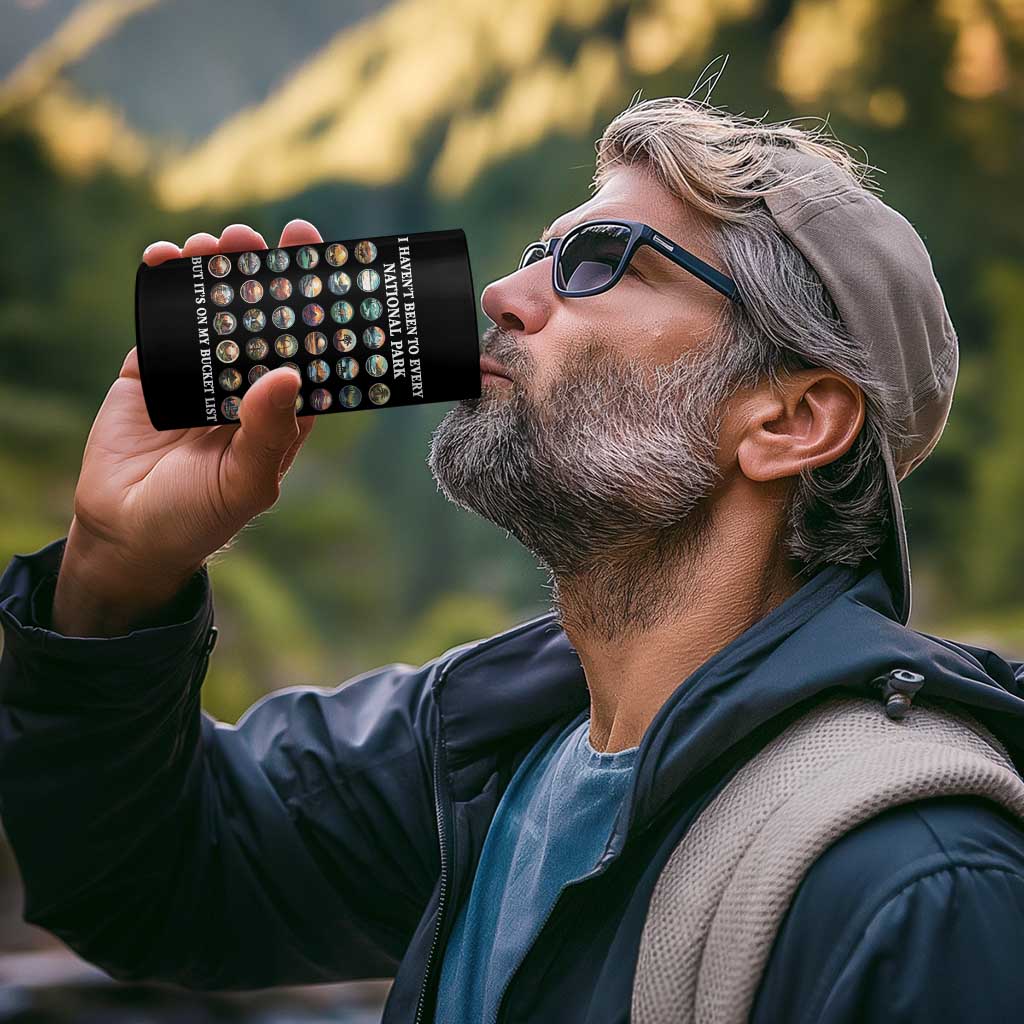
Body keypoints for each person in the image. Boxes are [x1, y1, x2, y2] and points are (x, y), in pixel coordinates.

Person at [2, 94, 1024, 1024]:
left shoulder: (919, 887)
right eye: (541, 252)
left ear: (790, 421)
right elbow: (150, 879)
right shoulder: (483, 745)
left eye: (601, 261)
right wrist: (116, 574)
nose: (502, 292)